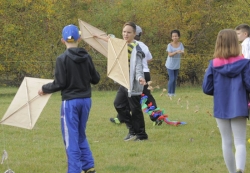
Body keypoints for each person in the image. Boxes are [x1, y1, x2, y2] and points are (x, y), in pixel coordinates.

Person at [38, 24, 100, 173]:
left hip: (70, 103)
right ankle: (88, 166)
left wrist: (44, 89)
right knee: (80, 133)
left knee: (70, 137)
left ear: (62, 40)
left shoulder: (62, 59)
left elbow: (60, 83)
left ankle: (74, 170)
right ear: (80, 38)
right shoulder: (87, 56)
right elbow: (96, 79)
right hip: (86, 101)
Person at [202, 29, 250, 173]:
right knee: (240, 141)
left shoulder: (213, 64)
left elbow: (207, 88)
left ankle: (232, 172)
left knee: (226, 141)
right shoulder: (246, 63)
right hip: (240, 105)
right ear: (236, 43)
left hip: (221, 106)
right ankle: (240, 168)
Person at [94, 22, 147, 141]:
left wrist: (140, 78)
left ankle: (142, 136)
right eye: (124, 32)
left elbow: (138, 67)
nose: (125, 34)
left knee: (135, 110)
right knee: (118, 104)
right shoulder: (121, 44)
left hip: (133, 84)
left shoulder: (136, 49)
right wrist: (97, 37)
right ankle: (132, 130)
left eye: (128, 32)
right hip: (123, 82)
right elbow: (110, 40)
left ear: (134, 34)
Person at [110, 25, 157, 124]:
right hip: (145, 72)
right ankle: (122, 117)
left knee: (136, 97)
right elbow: (150, 58)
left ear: (134, 33)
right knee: (139, 96)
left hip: (136, 74)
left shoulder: (130, 45)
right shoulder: (143, 45)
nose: (126, 34)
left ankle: (156, 118)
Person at [165, 29, 184, 97]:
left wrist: (181, 52)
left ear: (178, 36)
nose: (174, 37)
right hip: (170, 65)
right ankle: (169, 93)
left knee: (175, 79)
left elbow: (183, 52)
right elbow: (169, 54)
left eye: (176, 36)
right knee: (172, 79)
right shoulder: (169, 45)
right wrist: (176, 52)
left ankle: (173, 93)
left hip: (176, 65)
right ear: (171, 37)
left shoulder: (181, 44)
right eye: (173, 36)